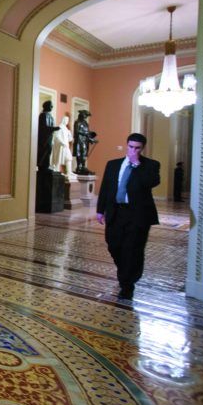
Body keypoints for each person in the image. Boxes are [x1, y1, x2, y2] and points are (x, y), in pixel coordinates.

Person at [96, 133, 160, 300]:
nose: (133, 150)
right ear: (126, 145)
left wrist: (137, 164)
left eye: (137, 148)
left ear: (142, 148)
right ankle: (127, 273)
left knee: (132, 250)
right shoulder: (113, 164)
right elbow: (105, 188)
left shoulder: (150, 165)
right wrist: (100, 210)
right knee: (113, 245)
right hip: (116, 212)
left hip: (138, 214)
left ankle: (127, 285)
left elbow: (151, 182)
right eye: (131, 147)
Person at [37, 101, 60, 170]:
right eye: (51, 105)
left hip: (49, 138)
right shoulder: (43, 115)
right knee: (43, 152)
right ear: (46, 106)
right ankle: (42, 166)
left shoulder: (50, 116)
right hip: (43, 138)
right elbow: (44, 127)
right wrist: (55, 128)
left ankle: (46, 165)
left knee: (48, 151)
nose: (52, 107)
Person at [73, 109, 98, 175]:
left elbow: (88, 133)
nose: (86, 117)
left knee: (84, 154)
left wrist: (92, 139)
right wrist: (85, 133)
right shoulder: (77, 122)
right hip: (79, 141)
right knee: (79, 154)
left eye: (87, 116)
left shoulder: (85, 123)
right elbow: (77, 131)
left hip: (84, 141)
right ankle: (79, 167)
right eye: (85, 115)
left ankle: (83, 167)